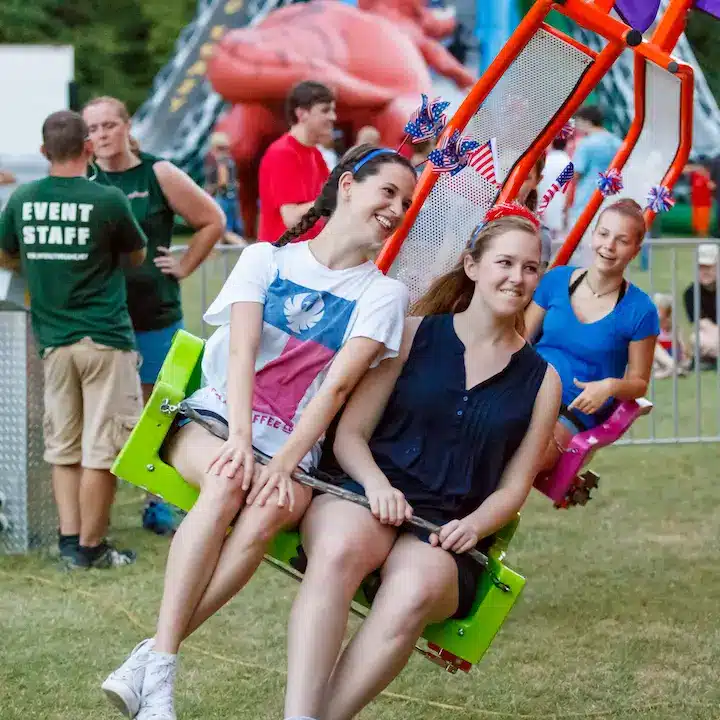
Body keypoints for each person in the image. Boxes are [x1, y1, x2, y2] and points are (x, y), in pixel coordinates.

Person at [100, 144, 417, 720]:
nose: (397, 208)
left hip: (294, 449)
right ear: (347, 185)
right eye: (387, 192)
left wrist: (283, 460)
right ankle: (163, 672)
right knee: (226, 482)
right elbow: (242, 350)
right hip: (218, 417)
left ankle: (145, 661)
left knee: (270, 505)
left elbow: (336, 389)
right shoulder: (264, 260)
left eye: (406, 201)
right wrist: (243, 442)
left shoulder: (384, 295)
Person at [282, 207, 561, 720]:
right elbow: (351, 435)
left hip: (444, 526)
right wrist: (375, 485)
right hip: (363, 492)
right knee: (340, 549)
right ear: (472, 265)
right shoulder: (411, 334)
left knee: (413, 592)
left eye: (531, 267)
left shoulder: (543, 380)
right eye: (505, 262)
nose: (518, 277)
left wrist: (473, 526)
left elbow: (513, 488)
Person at [0, 111, 147, 568]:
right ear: (88, 148)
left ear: (44, 153)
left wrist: (43, 267)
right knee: (101, 451)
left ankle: (68, 544)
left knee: (63, 447)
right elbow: (136, 255)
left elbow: (6, 255)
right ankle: (91, 548)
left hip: (53, 340)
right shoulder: (107, 200)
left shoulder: (23, 199)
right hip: (105, 338)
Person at [82, 96, 226, 534]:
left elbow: (213, 220)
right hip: (101, 321)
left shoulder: (156, 172)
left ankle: (158, 502)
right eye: (93, 129)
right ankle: (92, 516)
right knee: (101, 415)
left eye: (110, 125)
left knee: (159, 411)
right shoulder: (82, 179)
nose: (102, 135)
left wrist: (184, 265)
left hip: (155, 314)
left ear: (127, 126)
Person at [524, 199, 659, 469]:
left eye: (621, 240)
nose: (608, 246)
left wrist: (609, 386)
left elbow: (639, 383)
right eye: (604, 234)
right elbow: (521, 339)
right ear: (593, 235)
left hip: (571, 411)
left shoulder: (641, 310)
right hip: (525, 390)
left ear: (635, 250)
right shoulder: (556, 280)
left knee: (527, 458)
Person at [258, 81, 336, 243]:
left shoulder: (315, 153)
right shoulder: (283, 153)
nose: (333, 117)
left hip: (304, 257)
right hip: (284, 259)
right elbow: (292, 218)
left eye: (333, 110)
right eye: (325, 110)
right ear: (301, 114)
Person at [567, 106, 622, 263]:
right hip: (610, 200)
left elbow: (575, 174)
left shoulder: (586, 144)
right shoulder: (617, 142)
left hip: (585, 201)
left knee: (580, 248)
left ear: (585, 121)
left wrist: (567, 201)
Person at [203, 131, 246, 246]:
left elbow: (223, 182)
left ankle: (244, 247)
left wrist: (210, 189)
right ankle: (220, 258)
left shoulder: (221, 160)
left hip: (223, 198)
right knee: (223, 231)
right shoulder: (230, 160)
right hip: (232, 198)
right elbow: (235, 183)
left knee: (224, 231)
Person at [683, 242, 719, 369]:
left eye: (709, 267)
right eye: (700, 267)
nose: (704, 271)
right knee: (696, 339)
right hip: (711, 336)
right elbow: (702, 324)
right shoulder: (691, 293)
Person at [652, 293, 688, 379]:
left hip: (673, 356)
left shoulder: (675, 328)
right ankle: (673, 369)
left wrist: (684, 357)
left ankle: (671, 369)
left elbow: (683, 347)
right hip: (660, 361)